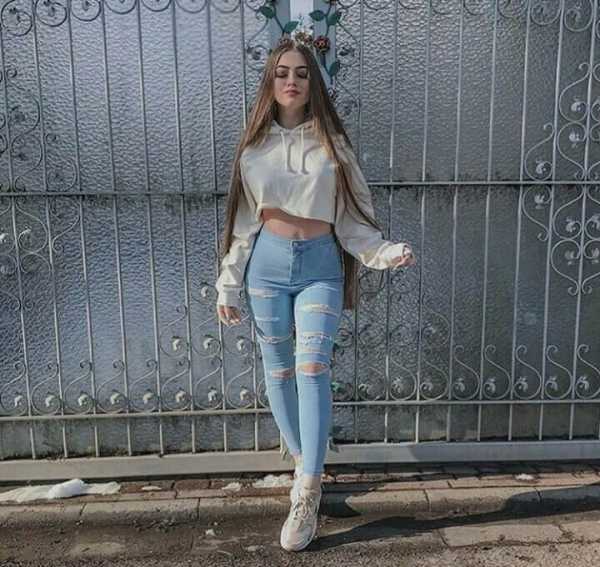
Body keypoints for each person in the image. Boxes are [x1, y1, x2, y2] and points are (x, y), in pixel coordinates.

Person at [214, 32, 417, 552]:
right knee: (278, 370)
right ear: (270, 81)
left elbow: (352, 218)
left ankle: (306, 488)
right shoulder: (254, 147)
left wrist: (382, 252)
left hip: (320, 267)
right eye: (283, 72)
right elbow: (242, 224)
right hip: (265, 268)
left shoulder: (333, 144)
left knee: (311, 367)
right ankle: (308, 464)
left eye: (302, 73)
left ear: (313, 83)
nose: (292, 81)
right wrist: (229, 283)